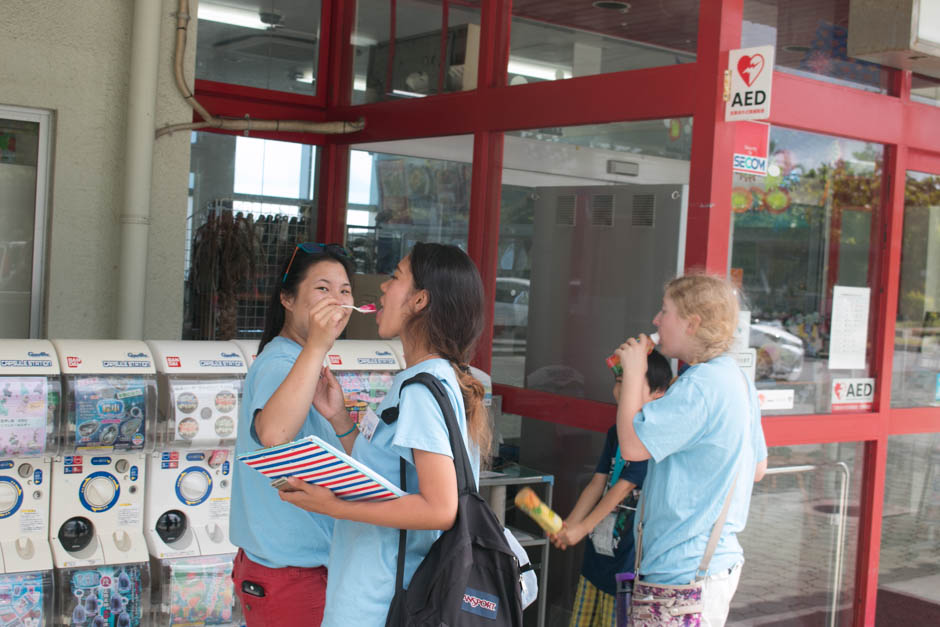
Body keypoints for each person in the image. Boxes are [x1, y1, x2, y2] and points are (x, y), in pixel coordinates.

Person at [279, 242, 490, 627]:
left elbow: (440, 509)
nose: (382, 289)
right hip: (383, 596)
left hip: (382, 605)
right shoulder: (427, 380)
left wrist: (331, 506)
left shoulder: (422, 391)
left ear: (419, 300)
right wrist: (341, 419)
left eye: (395, 278)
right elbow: (389, 474)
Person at [614, 273, 768, 627]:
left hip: (680, 570)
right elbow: (757, 467)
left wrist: (635, 372)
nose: (656, 320)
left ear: (692, 323)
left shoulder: (700, 386)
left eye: (665, 311)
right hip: (714, 566)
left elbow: (633, 446)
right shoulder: (736, 378)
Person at [229, 242, 355, 627]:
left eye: (345, 290)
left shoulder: (307, 362)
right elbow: (273, 434)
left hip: (315, 569)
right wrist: (317, 344)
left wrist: (341, 419)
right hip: (289, 575)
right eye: (322, 288)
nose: (337, 299)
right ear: (287, 298)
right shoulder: (280, 362)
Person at [550, 350, 673, 627]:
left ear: (658, 392)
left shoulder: (651, 439)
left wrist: (582, 528)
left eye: (629, 381)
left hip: (627, 569)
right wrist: (571, 523)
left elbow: (622, 487)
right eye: (619, 381)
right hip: (597, 557)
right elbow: (598, 483)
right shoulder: (615, 432)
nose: (620, 389)